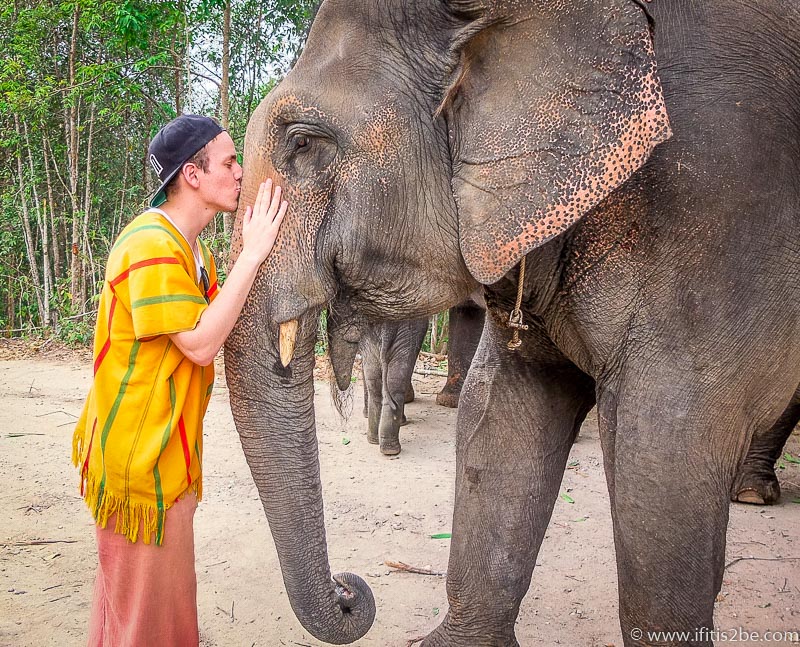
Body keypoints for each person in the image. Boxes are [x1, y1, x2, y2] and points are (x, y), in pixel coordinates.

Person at [71, 114, 287, 646]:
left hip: (165, 457)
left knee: (131, 610)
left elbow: (222, 322)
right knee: (152, 623)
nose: (240, 173)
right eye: (230, 161)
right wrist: (254, 252)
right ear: (192, 174)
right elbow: (199, 342)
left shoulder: (194, 252)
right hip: (140, 465)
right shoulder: (150, 244)